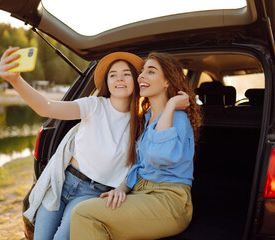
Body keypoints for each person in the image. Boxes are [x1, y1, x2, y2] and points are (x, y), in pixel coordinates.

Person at [0, 49, 146, 240]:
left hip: (93, 194)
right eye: (113, 75)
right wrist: (15, 80)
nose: (119, 79)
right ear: (107, 83)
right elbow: (47, 108)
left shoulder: (141, 123)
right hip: (62, 184)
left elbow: (137, 165)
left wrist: (122, 189)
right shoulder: (93, 105)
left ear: (135, 81)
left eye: (126, 74)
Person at [70, 52, 202, 240]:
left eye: (151, 71)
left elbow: (160, 156)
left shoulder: (178, 118)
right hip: (141, 193)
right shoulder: (147, 118)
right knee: (97, 221)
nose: (141, 76)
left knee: (83, 213)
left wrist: (171, 105)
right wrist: (121, 189)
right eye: (141, 72)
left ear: (167, 82)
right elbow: (140, 166)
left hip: (170, 201)